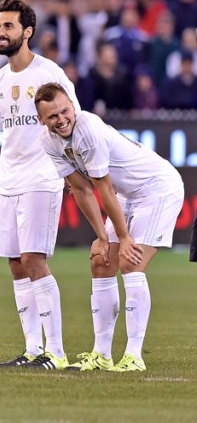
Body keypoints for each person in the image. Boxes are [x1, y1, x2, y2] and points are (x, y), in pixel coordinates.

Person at [35, 83, 184, 372]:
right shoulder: (48, 141)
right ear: (42, 120)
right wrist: (102, 238)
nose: (61, 119)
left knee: (131, 262)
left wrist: (124, 238)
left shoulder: (88, 130)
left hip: (157, 189)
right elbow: (80, 190)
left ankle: (133, 356)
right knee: (101, 263)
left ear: (73, 106)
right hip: (126, 194)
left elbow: (102, 188)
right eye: (52, 116)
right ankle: (102, 355)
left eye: (65, 111)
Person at [0, 0, 79, 370]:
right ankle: (31, 349)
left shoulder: (49, 73)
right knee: (15, 263)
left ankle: (55, 352)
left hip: (42, 177)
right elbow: (5, 131)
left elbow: (73, 122)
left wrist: (73, 171)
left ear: (27, 32)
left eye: (8, 26)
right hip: (8, 179)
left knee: (33, 260)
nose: (1, 32)